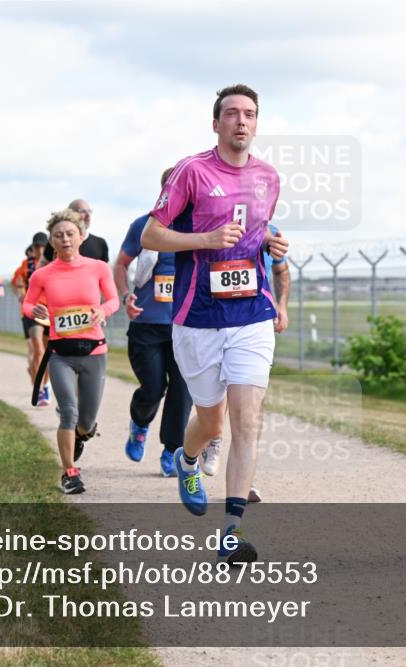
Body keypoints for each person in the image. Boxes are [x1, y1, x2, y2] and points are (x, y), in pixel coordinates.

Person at [141, 84, 289, 564]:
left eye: (249, 114)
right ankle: (187, 459)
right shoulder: (192, 171)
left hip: (252, 313)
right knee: (211, 418)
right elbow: (152, 233)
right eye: (232, 114)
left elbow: (255, 229)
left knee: (247, 419)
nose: (241, 122)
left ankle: (231, 531)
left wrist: (271, 245)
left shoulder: (269, 177)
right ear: (216, 123)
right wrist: (204, 238)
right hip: (198, 316)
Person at [23, 208, 120, 494]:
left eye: (69, 234)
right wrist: (36, 310)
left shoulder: (98, 268)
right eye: (58, 235)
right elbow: (27, 306)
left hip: (94, 352)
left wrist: (103, 310)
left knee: (86, 421)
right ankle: (69, 472)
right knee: (68, 411)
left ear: (80, 237)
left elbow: (113, 299)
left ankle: (81, 434)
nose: (64, 239)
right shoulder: (42, 275)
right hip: (61, 354)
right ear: (51, 242)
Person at [203, 221, 291, 505]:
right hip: (212, 323)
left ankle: (245, 482)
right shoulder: (209, 221)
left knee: (250, 410)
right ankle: (212, 436)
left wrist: (282, 305)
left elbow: (281, 270)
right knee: (215, 408)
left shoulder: (270, 229)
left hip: (253, 323)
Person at [114, 167, 193, 477]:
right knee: (154, 386)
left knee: (182, 391)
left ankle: (172, 450)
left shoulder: (198, 227)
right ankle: (139, 424)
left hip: (186, 326)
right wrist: (125, 297)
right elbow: (121, 265)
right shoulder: (143, 226)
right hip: (147, 324)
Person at [12, 235, 51, 406]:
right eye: (37, 247)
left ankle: (45, 385)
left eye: (43, 246)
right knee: (38, 348)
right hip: (32, 310)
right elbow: (16, 284)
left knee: (48, 353)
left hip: (51, 310)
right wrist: (20, 293)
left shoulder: (54, 262)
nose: (40, 250)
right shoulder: (25, 266)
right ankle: (40, 389)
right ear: (32, 248)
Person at [43, 199, 109, 263]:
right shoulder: (57, 242)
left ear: (81, 238)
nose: (88, 215)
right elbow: (43, 264)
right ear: (70, 213)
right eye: (83, 211)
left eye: (89, 211)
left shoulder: (100, 243)